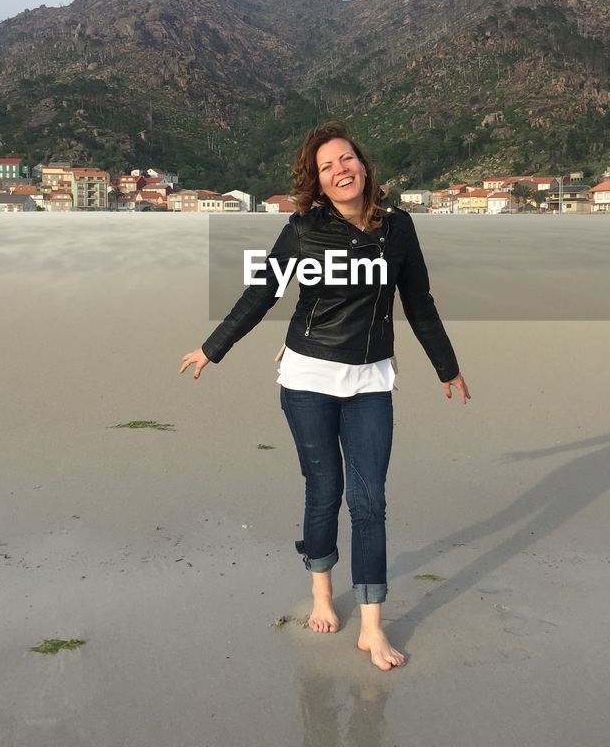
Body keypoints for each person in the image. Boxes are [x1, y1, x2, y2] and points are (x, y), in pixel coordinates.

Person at [179, 121, 470, 671]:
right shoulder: (303, 229)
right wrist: (212, 348)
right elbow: (262, 291)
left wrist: (447, 368)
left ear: (363, 165)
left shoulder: (399, 229)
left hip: (370, 382)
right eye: (327, 166)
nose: (341, 170)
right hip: (307, 380)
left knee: (369, 501)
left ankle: (372, 628)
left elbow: (421, 303)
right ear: (316, 180)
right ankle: (320, 594)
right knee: (324, 490)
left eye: (346, 159)